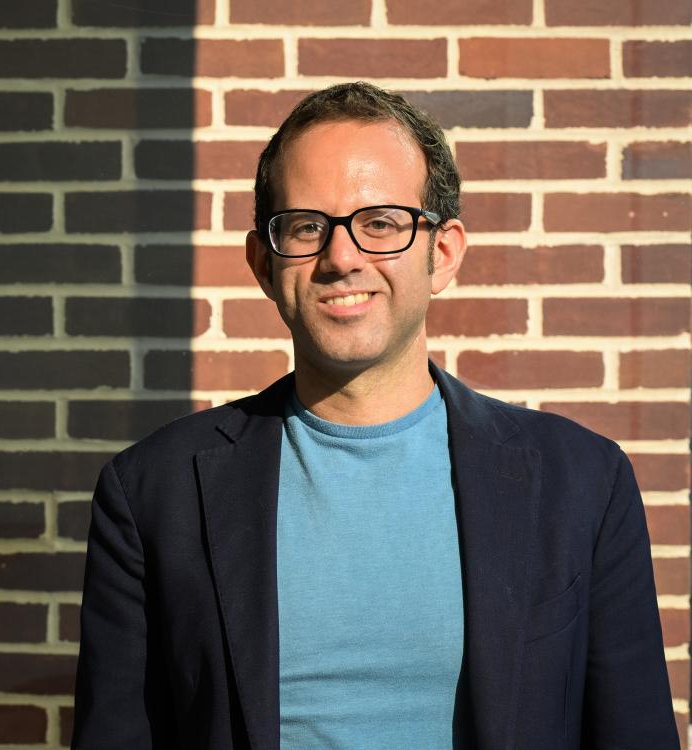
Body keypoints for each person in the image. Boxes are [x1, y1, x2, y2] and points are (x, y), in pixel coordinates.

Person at [71, 82, 678, 749]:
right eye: (306, 227)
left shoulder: (581, 483)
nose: (342, 257)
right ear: (262, 263)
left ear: (441, 253)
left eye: (380, 223)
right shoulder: (155, 492)